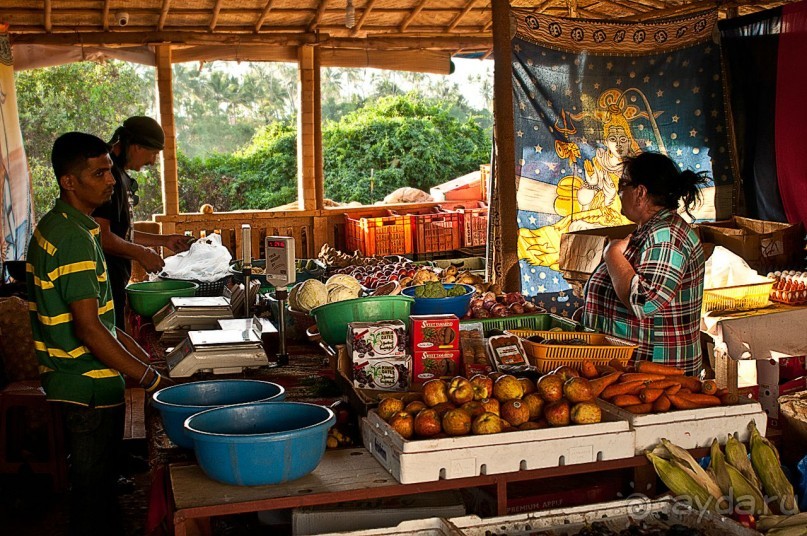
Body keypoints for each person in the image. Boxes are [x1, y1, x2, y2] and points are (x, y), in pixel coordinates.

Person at [26, 132, 172, 535]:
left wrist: (147, 363)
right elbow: (90, 332)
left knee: (102, 485)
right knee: (92, 494)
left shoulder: (67, 225)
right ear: (68, 182)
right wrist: (149, 378)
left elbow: (104, 324)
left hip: (80, 379)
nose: (111, 180)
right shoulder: (71, 238)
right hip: (84, 384)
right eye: (99, 172)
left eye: (110, 169)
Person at [582, 152, 709, 375]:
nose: (619, 193)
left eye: (622, 184)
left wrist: (612, 254)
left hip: (656, 375)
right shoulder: (650, 230)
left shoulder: (666, 237)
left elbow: (644, 302)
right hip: (630, 370)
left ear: (640, 192)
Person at [92, 116, 190, 328]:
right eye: (153, 153)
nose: (152, 161)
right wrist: (141, 253)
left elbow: (121, 232)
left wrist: (164, 240)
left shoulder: (120, 175)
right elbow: (100, 235)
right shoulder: (108, 178)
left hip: (116, 279)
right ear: (135, 147)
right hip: (101, 281)